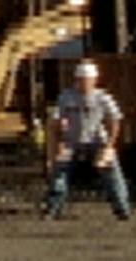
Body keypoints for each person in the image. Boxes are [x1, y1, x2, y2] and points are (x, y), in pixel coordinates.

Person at [45, 60, 130, 220]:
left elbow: (114, 121)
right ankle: (52, 208)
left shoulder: (103, 98)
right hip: (71, 141)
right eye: (80, 80)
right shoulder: (66, 97)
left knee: (112, 173)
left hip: (98, 141)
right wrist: (58, 145)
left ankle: (122, 208)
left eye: (87, 80)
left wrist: (109, 146)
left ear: (94, 80)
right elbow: (55, 122)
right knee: (60, 172)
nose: (84, 84)